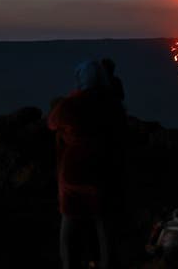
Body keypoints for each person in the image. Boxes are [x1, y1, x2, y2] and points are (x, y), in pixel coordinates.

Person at [48, 60, 127, 269]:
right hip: (102, 172)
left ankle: (70, 264)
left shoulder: (70, 105)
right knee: (103, 224)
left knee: (69, 224)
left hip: (72, 173)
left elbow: (52, 122)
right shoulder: (112, 106)